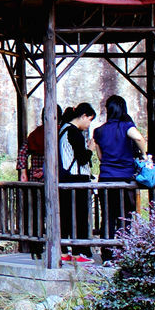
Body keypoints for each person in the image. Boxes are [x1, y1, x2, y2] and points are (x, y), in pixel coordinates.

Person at [90, 95, 146, 243]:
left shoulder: (99, 131)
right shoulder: (126, 126)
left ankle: (107, 252)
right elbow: (139, 138)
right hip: (125, 178)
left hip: (106, 178)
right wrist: (145, 155)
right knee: (125, 216)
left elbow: (101, 157)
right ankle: (123, 250)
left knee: (107, 215)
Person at [57, 102, 96, 264]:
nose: (89, 125)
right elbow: (82, 158)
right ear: (83, 116)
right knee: (80, 218)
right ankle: (81, 252)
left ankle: (65, 251)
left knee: (66, 217)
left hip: (65, 179)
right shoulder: (74, 133)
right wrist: (91, 149)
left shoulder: (63, 130)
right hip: (76, 180)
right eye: (89, 120)